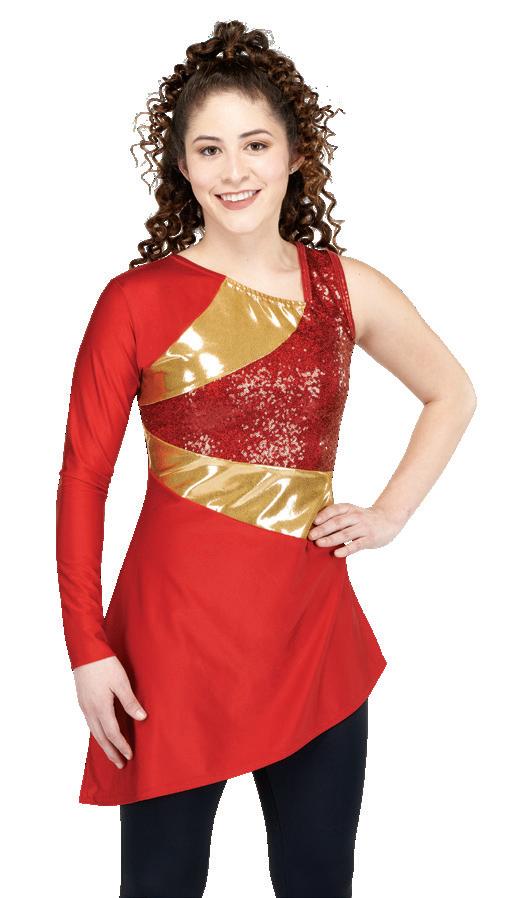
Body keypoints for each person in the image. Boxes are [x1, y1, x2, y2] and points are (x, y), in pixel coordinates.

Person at [55, 19, 477, 898]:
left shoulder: (345, 288)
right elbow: (84, 481)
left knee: (318, 881)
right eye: (209, 150)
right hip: (169, 647)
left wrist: (388, 514)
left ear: (295, 155)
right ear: (182, 166)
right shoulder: (134, 301)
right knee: (160, 885)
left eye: (255, 144)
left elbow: (452, 392)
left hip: (311, 636)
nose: (234, 170)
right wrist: (87, 648)